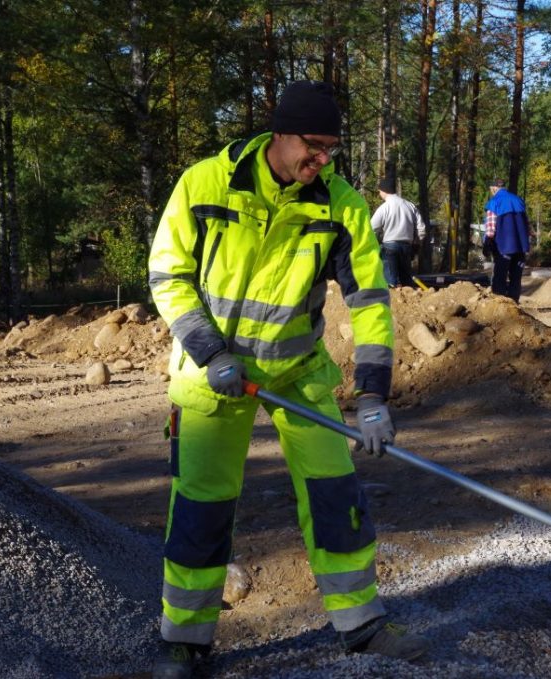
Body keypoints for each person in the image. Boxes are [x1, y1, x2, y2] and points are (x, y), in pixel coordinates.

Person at [147, 80, 428, 679]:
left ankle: (361, 623)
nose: (322, 160)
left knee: (336, 497)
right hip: (212, 376)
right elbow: (168, 276)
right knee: (202, 506)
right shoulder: (204, 183)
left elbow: (371, 301)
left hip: (297, 372)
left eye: (331, 149)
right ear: (279, 135)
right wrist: (208, 351)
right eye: (314, 146)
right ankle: (185, 641)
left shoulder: (340, 204)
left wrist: (374, 394)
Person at [370, 177, 426, 287]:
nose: (379, 193)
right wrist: (417, 244)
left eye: (379, 191)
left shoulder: (384, 207)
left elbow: (371, 227)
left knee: (391, 282)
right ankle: (409, 302)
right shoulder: (410, 206)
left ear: (384, 190)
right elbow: (421, 229)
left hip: (390, 248)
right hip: (406, 247)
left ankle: (394, 302)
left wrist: (373, 243)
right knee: (406, 282)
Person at [482, 178, 531, 302]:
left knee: (500, 276)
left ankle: (500, 304)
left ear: (494, 188)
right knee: (516, 276)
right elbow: (527, 226)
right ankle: (514, 303)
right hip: (520, 246)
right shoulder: (519, 200)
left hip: (504, 247)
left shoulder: (494, 202)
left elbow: (490, 230)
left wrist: (486, 243)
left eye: (491, 189)